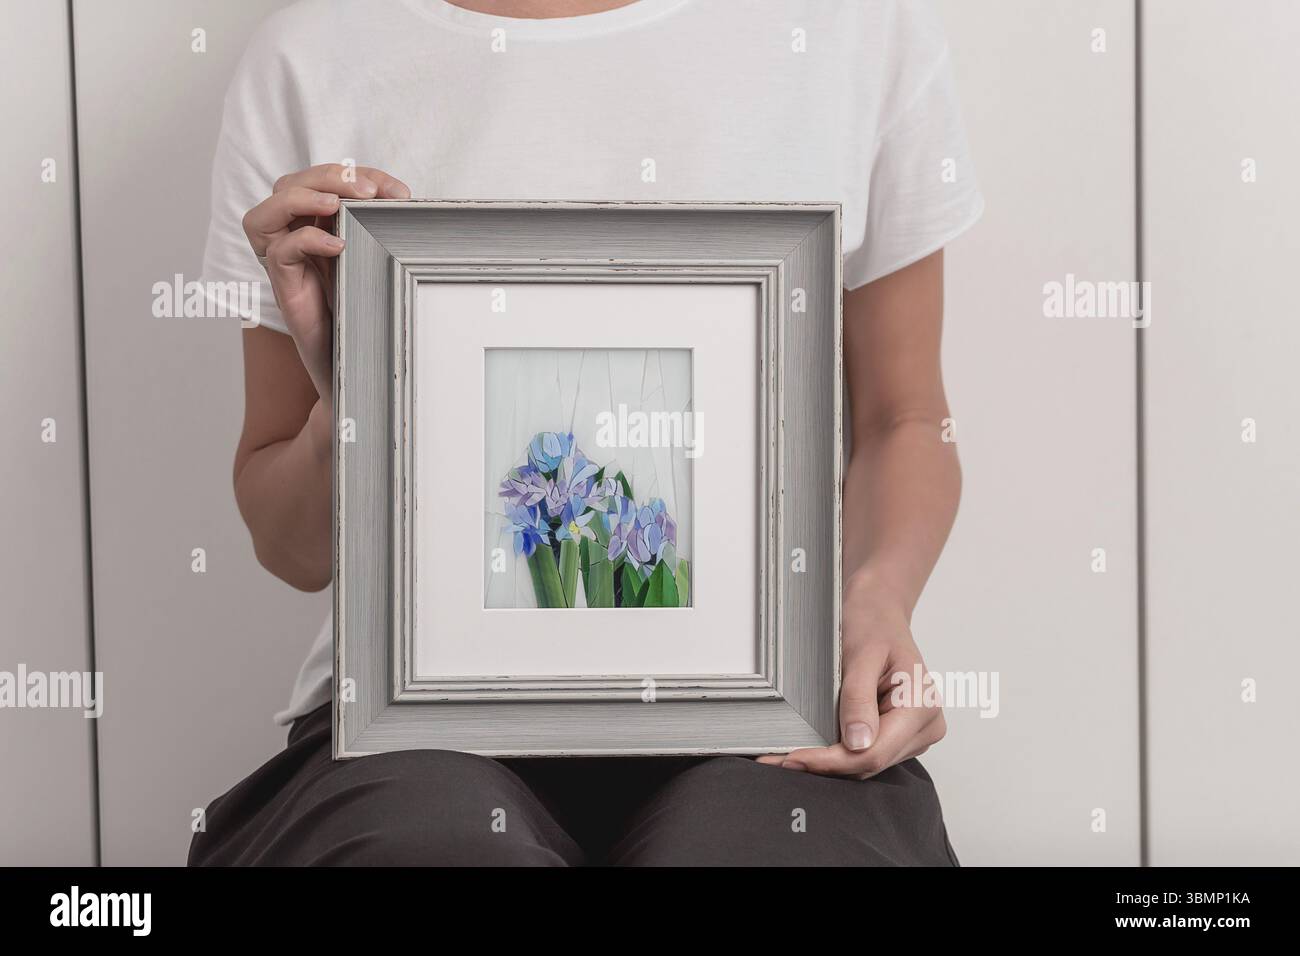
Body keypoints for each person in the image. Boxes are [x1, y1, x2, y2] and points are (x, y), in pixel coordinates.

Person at [189, 0, 982, 866]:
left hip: (772, 698)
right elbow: (291, 549)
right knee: (432, 848)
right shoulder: (310, 54)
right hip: (411, 716)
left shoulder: (856, 28)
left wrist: (877, 602)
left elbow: (905, 417)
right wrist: (349, 409)